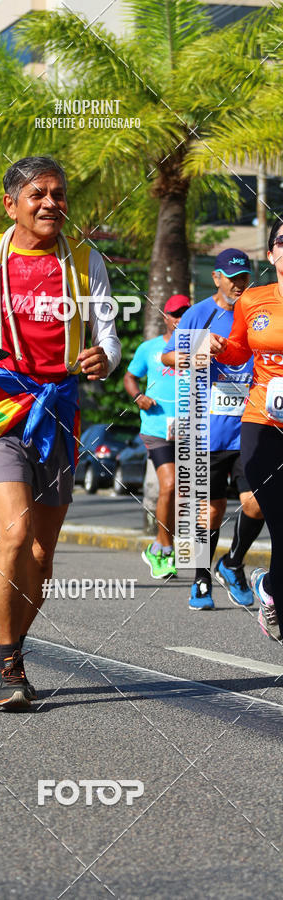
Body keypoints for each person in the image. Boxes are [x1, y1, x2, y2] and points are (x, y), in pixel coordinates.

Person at [0, 156, 121, 708]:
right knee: (14, 536)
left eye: (59, 194)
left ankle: (8, 646)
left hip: (60, 414)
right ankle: (11, 664)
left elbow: (110, 339)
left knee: (41, 555)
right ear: (10, 204)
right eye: (38, 194)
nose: (50, 204)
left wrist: (103, 360)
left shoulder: (87, 262)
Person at [161, 249, 263, 610]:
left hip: (253, 425)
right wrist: (201, 350)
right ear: (216, 277)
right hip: (208, 430)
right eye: (232, 277)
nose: (239, 284)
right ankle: (201, 579)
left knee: (257, 502)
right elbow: (168, 357)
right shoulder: (200, 314)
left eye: (244, 277)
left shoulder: (257, 309)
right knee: (211, 511)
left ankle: (232, 563)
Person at [211, 220, 283, 643]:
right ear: (271, 253)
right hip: (263, 423)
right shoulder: (253, 299)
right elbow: (238, 349)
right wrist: (220, 347)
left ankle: (269, 588)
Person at [124, 295, 190, 579]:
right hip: (156, 428)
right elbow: (129, 377)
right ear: (165, 316)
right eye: (175, 314)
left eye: (185, 314)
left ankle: (160, 545)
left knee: (184, 495)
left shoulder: (198, 348)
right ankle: (164, 548)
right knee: (170, 484)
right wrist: (138, 396)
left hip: (190, 426)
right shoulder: (149, 348)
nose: (180, 319)